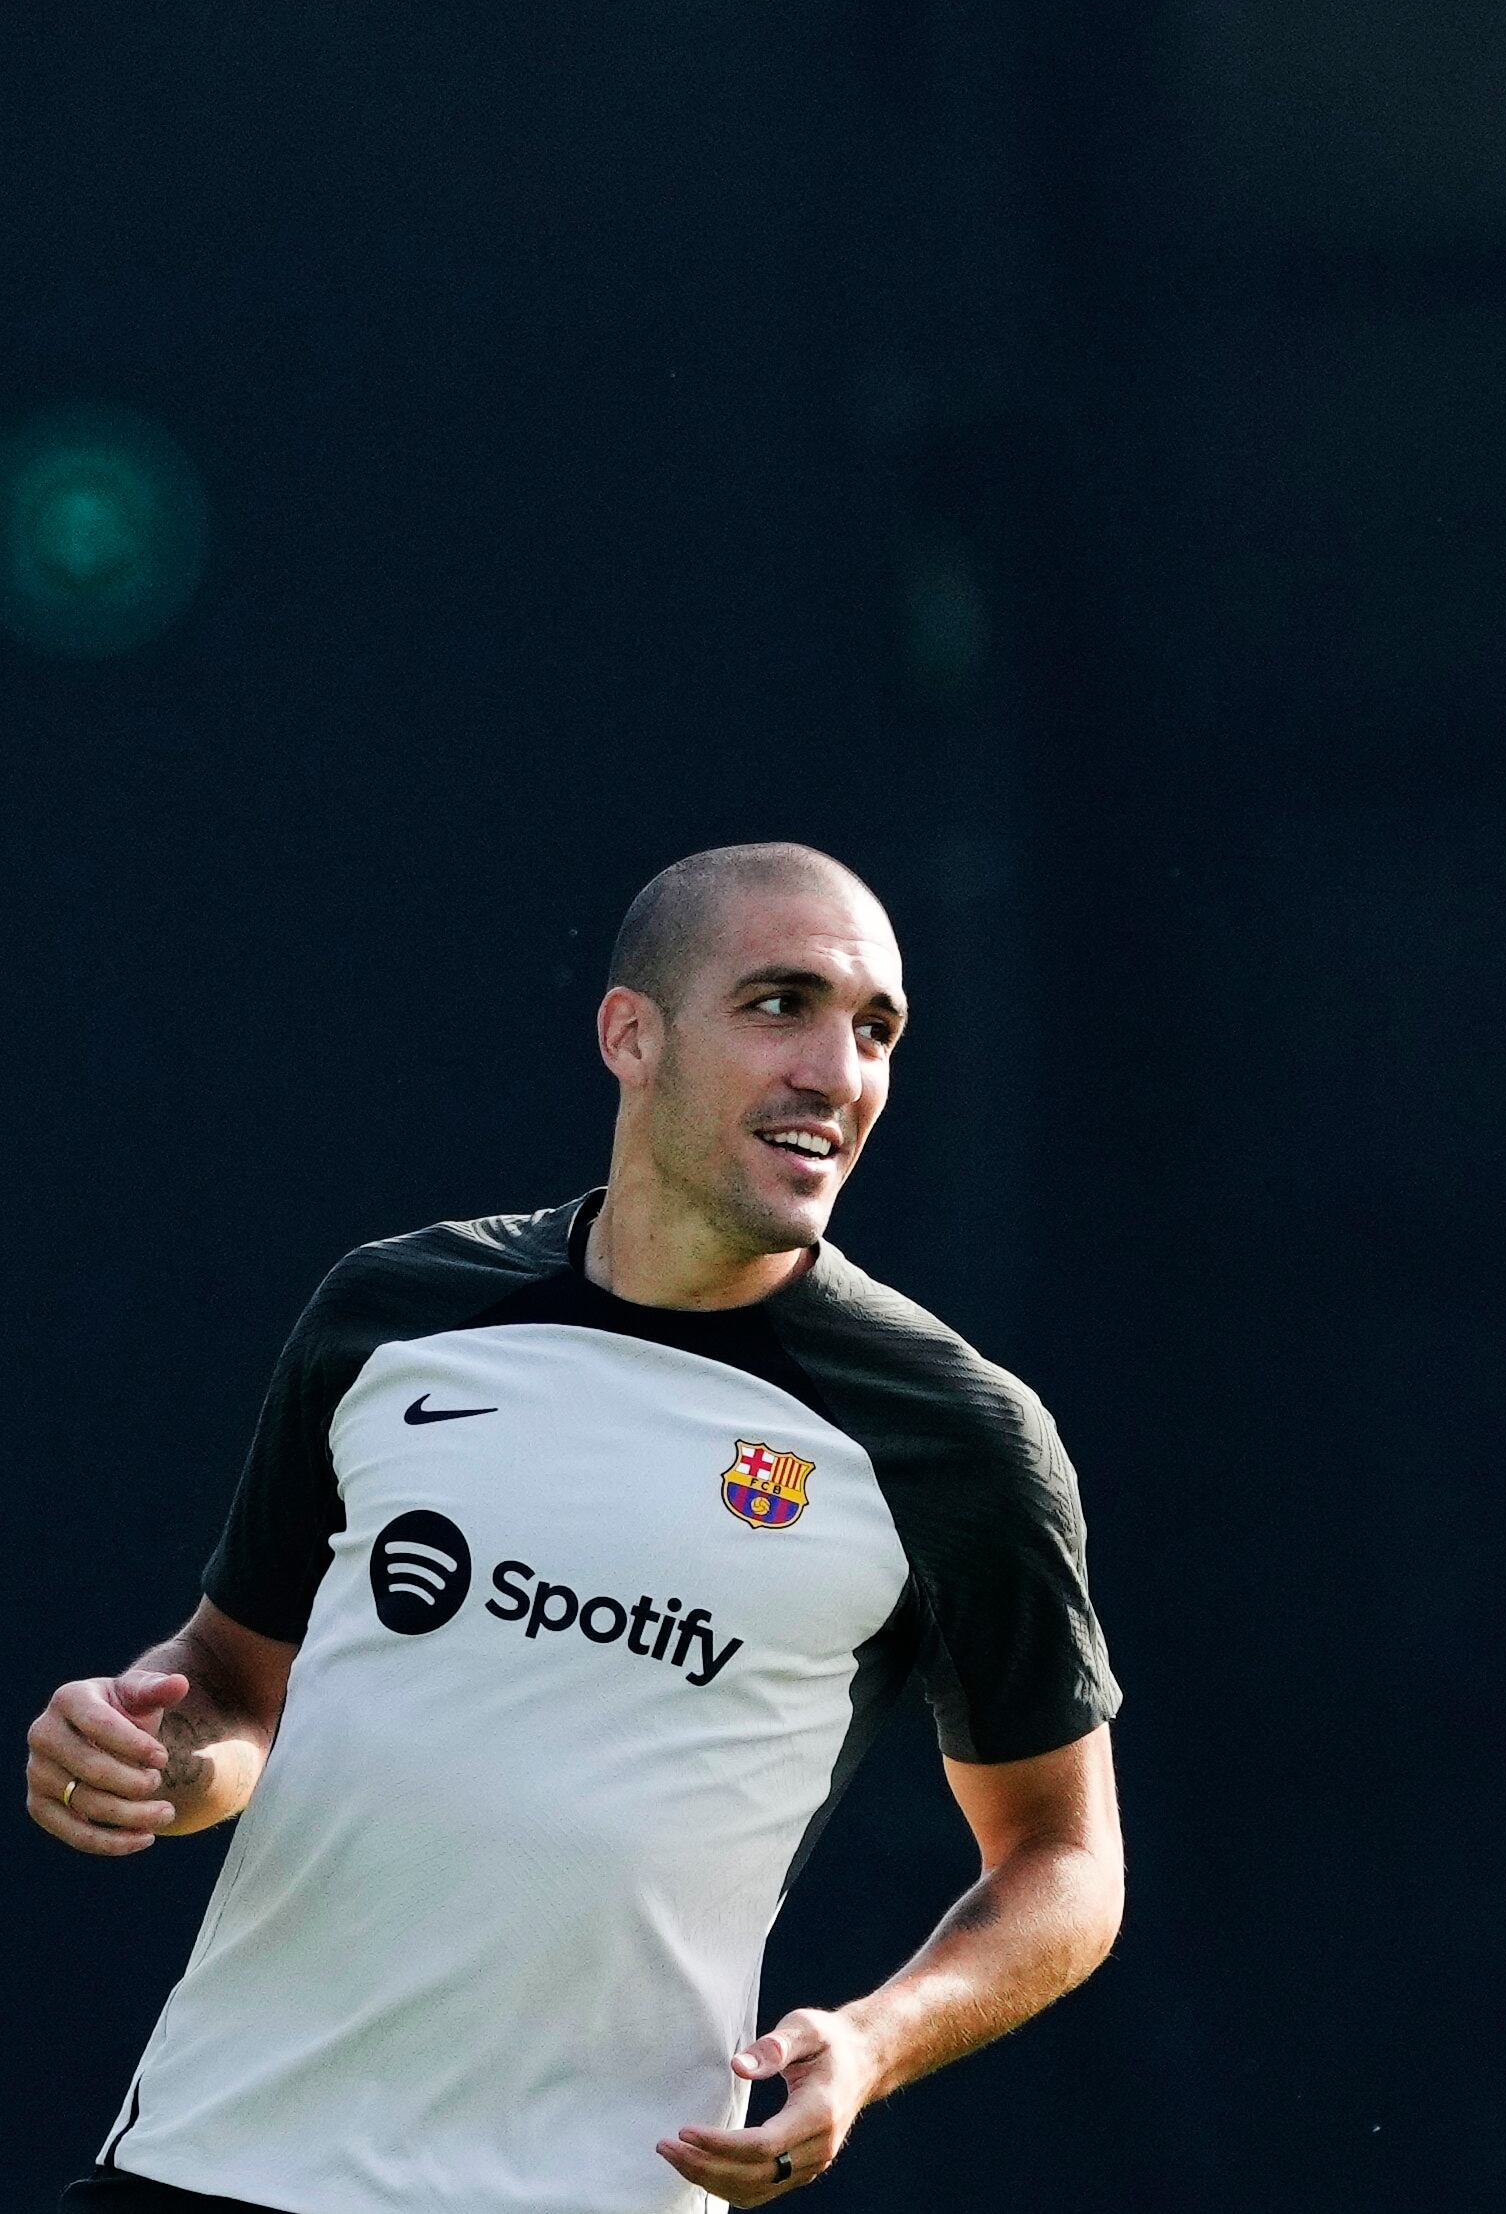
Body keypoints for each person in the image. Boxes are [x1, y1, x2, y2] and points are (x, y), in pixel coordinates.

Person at [22, 844, 1125, 2213]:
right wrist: (142, 1750)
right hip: (208, 2164)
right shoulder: (392, 1311)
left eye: (875, 1029)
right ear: (631, 1034)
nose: (837, 1073)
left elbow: (1067, 1858)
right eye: (780, 1003)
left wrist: (877, 2038)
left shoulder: (955, 1434)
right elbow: (238, 1688)